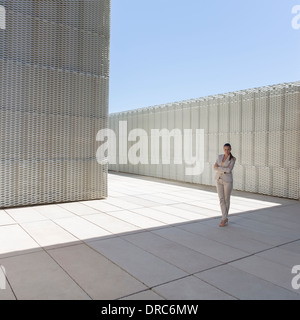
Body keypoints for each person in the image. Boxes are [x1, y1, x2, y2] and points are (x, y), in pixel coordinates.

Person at [214, 143, 236, 227]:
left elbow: (229, 170)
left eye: (228, 149)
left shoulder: (233, 159)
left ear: (230, 149)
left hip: (227, 181)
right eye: (225, 149)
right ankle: (225, 217)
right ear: (223, 149)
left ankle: (224, 218)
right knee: (221, 199)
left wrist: (219, 168)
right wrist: (223, 169)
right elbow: (214, 167)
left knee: (226, 199)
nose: (226, 151)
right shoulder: (219, 156)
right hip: (218, 179)